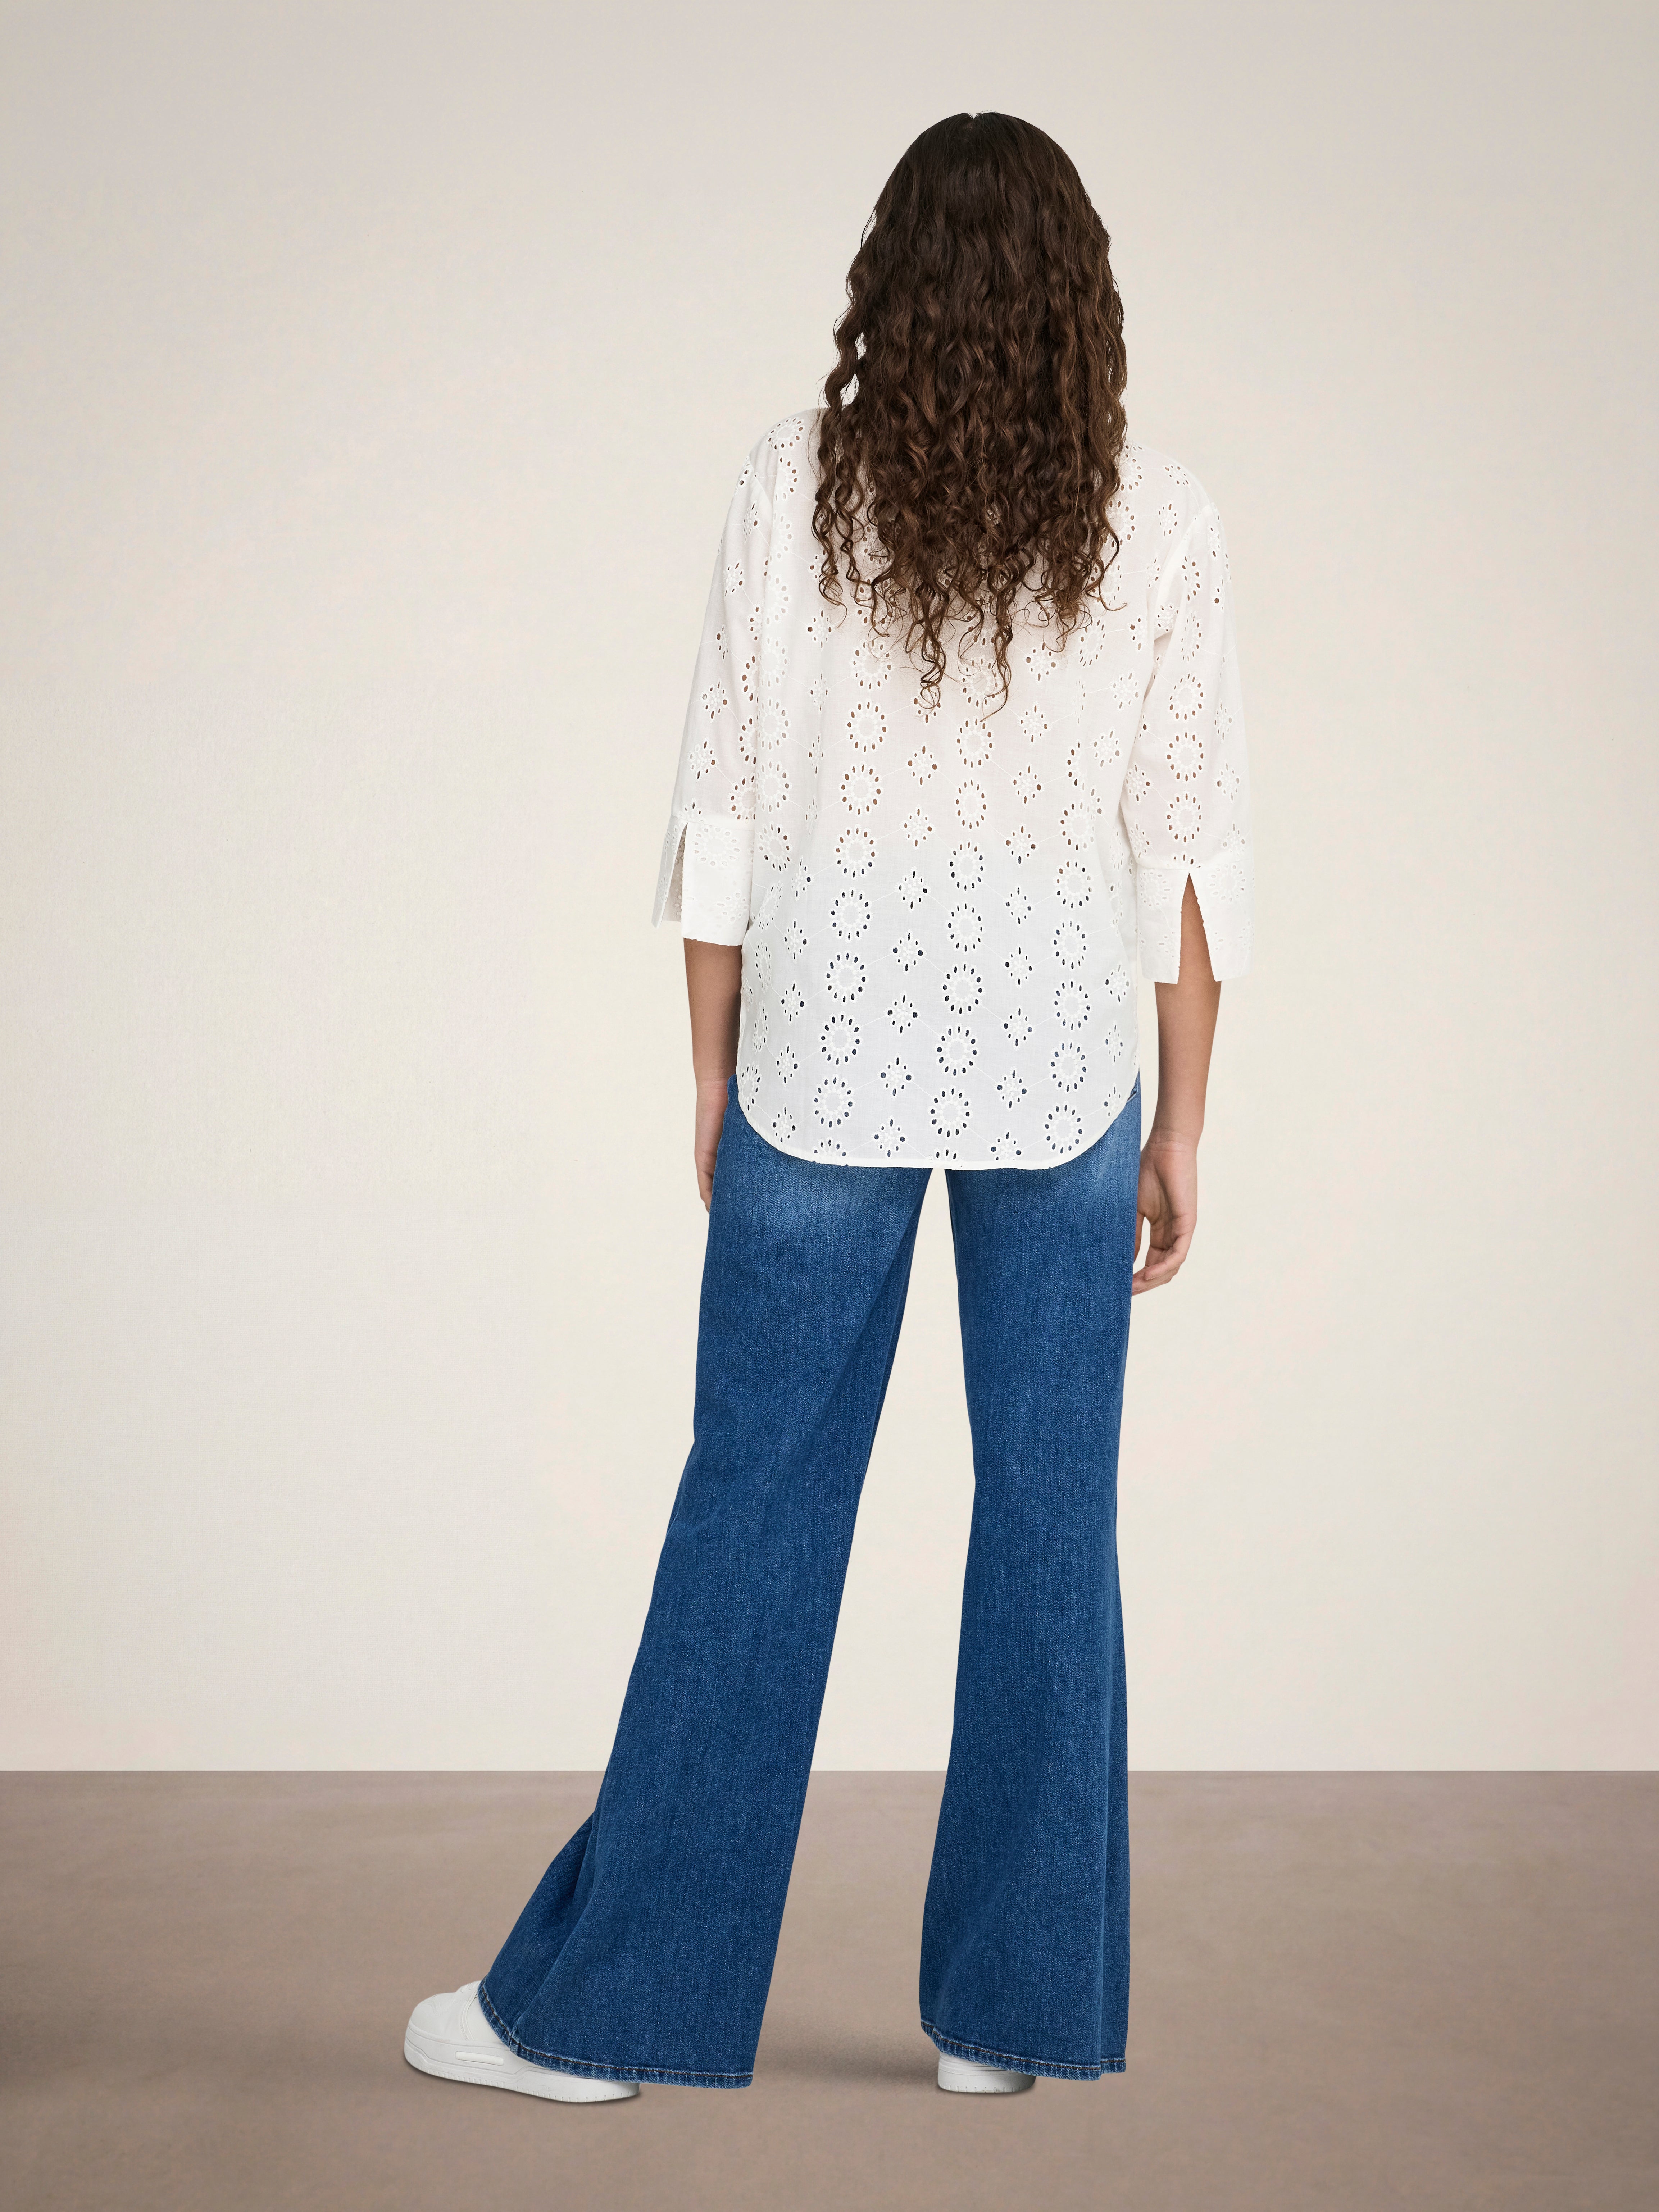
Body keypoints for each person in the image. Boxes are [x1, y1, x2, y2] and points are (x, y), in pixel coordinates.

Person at [404, 109, 1253, 2104]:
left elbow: (723, 803)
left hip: (819, 1055)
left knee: (754, 1509)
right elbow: (1188, 858)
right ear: (1083, 303)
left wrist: (708, 1070)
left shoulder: (791, 489)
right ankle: (1010, 2019)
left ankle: (604, 2019)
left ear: (887, 287)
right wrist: (1185, 1123)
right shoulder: (1159, 518)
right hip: (1064, 1076)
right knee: (1051, 1523)